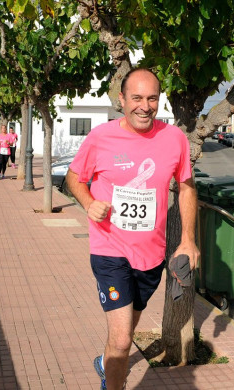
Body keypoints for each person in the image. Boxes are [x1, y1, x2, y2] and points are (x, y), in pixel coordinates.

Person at [66, 68, 200, 390]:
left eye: (152, 98)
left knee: (125, 328)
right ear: (122, 100)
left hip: (150, 257)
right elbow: (73, 178)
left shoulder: (175, 139)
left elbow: (186, 187)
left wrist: (188, 241)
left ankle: (105, 362)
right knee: (125, 339)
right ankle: (114, 383)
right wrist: (88, 202)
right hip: (109, 248)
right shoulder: (101, 137)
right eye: (137, 98)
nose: (145, 106)